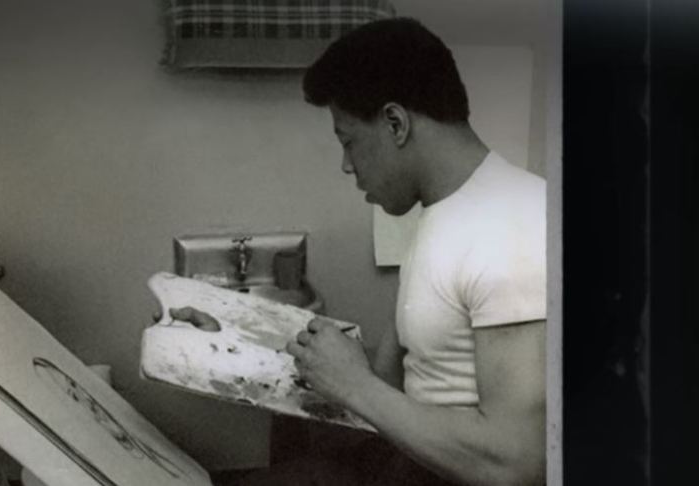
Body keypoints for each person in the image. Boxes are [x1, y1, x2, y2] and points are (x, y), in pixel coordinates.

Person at [168, 17, 546, 486]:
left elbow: (518, 461)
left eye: (349, 141)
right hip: (409, 464)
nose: (347, 166)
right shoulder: (448, 212)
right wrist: (235, 339)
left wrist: (355, 385)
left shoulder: (512, 229)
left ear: (395, 123)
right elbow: (391, 374)